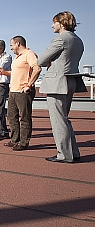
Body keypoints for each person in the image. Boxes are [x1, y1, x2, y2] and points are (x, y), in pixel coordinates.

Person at [38, 11, 84, 163]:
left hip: (57, 82)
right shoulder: (78, 40)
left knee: (58, 119)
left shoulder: (60, 39)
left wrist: (48, 62)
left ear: (62, 23)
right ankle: (73, 152)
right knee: (64, 118)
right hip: (71, 80)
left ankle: (64, 154)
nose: (52, 25)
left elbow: (41, 60)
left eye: (54, 22)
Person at [0, 36, 41, 151]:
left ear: (18, 43)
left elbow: (37, 68)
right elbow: (16, 72)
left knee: (25, 117)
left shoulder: (29, 54)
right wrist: (4, 73)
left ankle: (23, 142)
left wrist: (29, 85)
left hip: (23, 91)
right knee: (12, 116)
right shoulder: (18, 57)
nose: (11, 48)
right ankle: (15, 140)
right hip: (13, 91)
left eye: (11, 45)